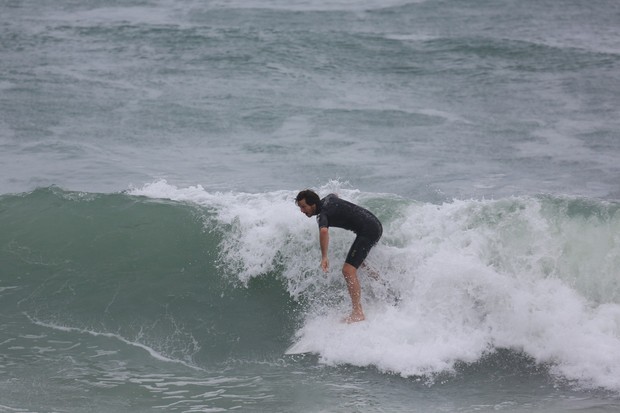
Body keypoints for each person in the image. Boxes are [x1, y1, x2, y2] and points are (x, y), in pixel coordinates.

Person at [295, 189, 383, 323]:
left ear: (313, 204)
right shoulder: (328, 199)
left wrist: (324, 256)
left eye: (303, 207)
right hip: (374, 223)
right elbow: (334, 195)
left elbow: (324, 231)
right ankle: (384, 287)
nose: (301, 211)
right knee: (359, 263)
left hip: (368, 231)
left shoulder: (322, 215)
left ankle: (357, 313)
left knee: (348, 270)